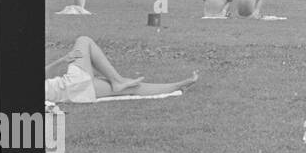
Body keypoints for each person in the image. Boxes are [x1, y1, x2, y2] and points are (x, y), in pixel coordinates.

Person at [45, 36, 198, 103]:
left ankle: (178, 85)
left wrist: (62, 60)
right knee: (84, 40)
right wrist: (61, 60)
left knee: (131, 87)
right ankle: (117, 80)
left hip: (70, 89)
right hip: (70, 86)